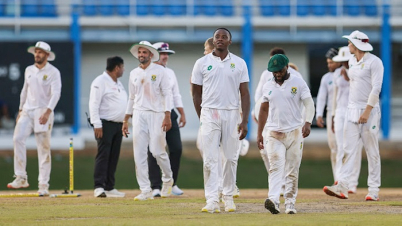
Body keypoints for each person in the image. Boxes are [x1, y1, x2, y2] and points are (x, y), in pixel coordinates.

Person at [191, 28, 250, 213]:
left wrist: (245, 120)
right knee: (209, 159)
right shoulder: (201, 63)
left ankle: (228, 197)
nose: (220, 39)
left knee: (231, 158)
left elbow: (245, 93)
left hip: (232, 113)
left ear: (229, 42)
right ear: (213, 41)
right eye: (218, 37)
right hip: (209, 113)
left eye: (224, 37)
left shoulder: (239, 63)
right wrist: (203, 117)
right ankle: (211, 200)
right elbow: (195, 93)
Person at [324, 30, 384, 201]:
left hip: (369, 112)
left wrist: (367, 111)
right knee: (347, 149)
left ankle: (373, 190)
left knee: (372, 150)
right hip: (351, 110)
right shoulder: (351, 60)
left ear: (356, 44)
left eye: (349, 42)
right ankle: (342, 185)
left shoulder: (375, 62)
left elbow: (376, 88)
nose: (348, 45)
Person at [257, 54, 315, 214]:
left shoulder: (298, 82)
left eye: (279, 70)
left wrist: (308, 122)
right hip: (273, 133)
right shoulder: (268, 85)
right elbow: (263, 109)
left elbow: (309, 104)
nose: (277, 74)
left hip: (295, 132)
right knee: (276, 167)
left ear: (286, 67)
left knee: (292, 169)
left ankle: (290, 203)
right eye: (274, 71)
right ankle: (274, 200)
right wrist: (259, 133)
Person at [7, 41, 61, 196]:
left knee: (43, 148)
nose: (37, 55)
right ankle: (21, 177)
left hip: (43, 112)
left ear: (47, 55)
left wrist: (48, 112)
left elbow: (56, 93)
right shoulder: (28, 70)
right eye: (36, 52)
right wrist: (20, 109)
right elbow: (24, 90)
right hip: (27, 111)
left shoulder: (53, 72)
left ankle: (43, 185)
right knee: (17, 138)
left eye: (40, 52)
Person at [122, 41, 174, 201]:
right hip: (139, 114)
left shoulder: (160, 71)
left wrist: (167, 115)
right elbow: (131, 97)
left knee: (157, 152)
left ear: (151, 55)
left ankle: (168, 178)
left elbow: (167, 94)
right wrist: (126, 119)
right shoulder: (133, 73)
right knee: (139, 154)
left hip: (157, 114)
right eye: (139, 53)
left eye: (144, 53)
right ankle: (145, 190)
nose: (141, 55)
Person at [254, 47, 303, 178]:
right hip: (270, 120)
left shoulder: (296, 76)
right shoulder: (266, 74)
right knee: (265, 151)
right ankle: (277, 180)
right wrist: (256, 113)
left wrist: (302, 120)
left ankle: (286, 182)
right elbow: (259, 96)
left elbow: (303, 99)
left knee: (289, 153)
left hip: (291, 122)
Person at [147, 42, 186, 197]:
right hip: (154, 114)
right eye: (162, 53)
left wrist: (182, 112)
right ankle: (155, 186)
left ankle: (171, 183)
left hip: (170, 113)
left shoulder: (170, 72)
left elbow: (175, 94)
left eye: (166, 54)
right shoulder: (148, 72)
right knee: (155, 150)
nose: (165, 57)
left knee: (176, 148)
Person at [89, 56, 127, 198]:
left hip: (118, 125)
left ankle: (109, 187)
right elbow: (94, 103)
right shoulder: (100, 81)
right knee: (103, 155)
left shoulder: (118, 83)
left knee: (114, 156)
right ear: (117, 67)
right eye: (122, 67)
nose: (123, 70)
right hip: (104, 124)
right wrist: (96, 124)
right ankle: (99, 186)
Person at [331, 47, 363, 194]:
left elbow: (361, 89)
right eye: (342, 61)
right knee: (340, 147)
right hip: (340, 112)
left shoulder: (358, 71)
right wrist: (332, 115)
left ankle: (352, 182)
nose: (344, 64)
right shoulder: (337, 73)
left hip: (355, 110)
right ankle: (339, 179)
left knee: (354, 148)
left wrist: (349, 77)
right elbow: (335, 95)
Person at [316, 47, 340, 183]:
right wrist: (319, 114)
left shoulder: (346, 74)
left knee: (345, 146)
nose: (329, 65)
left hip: (345, 113)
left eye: (331, 62)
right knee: (333, 146)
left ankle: (347, 179)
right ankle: (337, 178)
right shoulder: (326, 78)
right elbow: (321, 97)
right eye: (328, 63)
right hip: (331, 112)